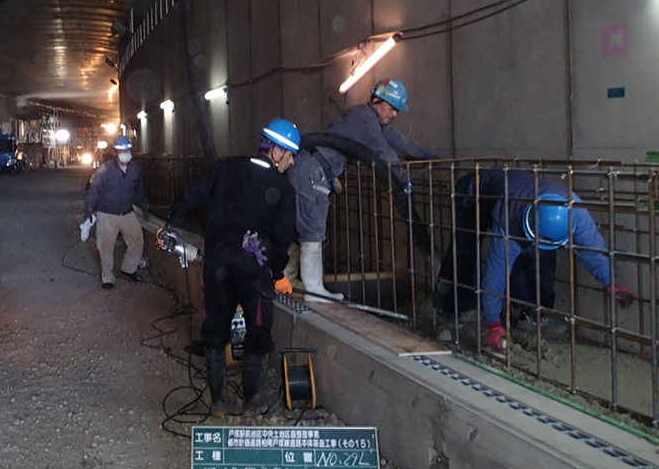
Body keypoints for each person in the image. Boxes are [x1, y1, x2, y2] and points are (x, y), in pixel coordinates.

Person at [161, 118, 300, 415]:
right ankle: (252, 402)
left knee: (215, 327)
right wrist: (276, 273)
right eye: (290, 155)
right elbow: (282, 237)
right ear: (275, 151)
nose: (292, 162)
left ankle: (219, 402)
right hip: (254, 268)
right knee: (258, 330)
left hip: (218, 262)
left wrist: (171, 223)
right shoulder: (282, 189)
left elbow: (193, 192)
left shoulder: (226, 168)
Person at [435, 169, 634, 350]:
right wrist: (493, 324)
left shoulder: (575, 212)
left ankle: (532, 314)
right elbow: (497, 271)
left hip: (515, 196)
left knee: (541, 255)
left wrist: (610, 281)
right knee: (465, 249)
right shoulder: (510, 217)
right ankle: (452, 310)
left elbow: (591, 249)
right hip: (474, 192)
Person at [288, 78, 434, 301]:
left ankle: (288, 279)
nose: (395, 114)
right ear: (378, 100)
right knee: (312, 230)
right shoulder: (366, 124)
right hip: (312, 171)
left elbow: (395, 139)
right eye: (393, 108)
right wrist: (403, 181)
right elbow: (383, 154)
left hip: (308, 166)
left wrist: (421, 153)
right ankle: (314, 291)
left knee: (297, 226)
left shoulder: (368, 119)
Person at [84, 135, 150, 290]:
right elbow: (94, 190)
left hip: (126, 212)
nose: (125, 153)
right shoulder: (105, 169)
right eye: (122, 150)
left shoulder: (135, 169)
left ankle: (129, 268)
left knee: (137, 240)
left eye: (128, 150)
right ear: (116, 152)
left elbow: (138, 190)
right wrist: (88, 209)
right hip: (107, 213)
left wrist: (144, 205)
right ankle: (107, 278)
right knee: (106, 246)